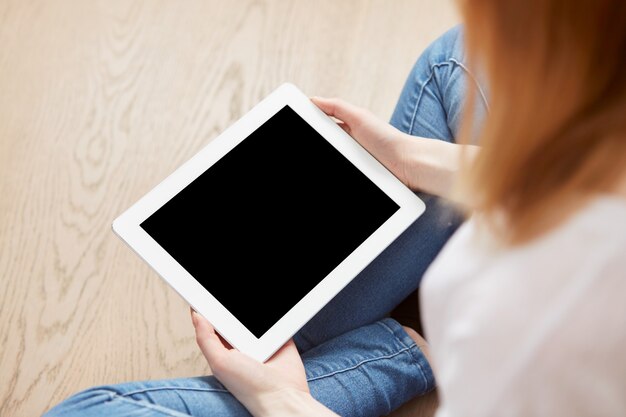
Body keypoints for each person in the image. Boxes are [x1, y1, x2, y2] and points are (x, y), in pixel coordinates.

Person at [45, 0, 626, 416]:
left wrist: (283, 400)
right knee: (460, 57)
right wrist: (409, 159)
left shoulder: (558, 342)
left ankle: (400, 352)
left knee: (94, 410)